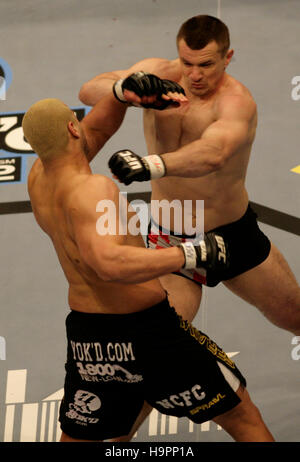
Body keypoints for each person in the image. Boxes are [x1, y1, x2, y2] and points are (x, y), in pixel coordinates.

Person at [22, 95, 274, 442]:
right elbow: (109, 263)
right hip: (147, 333)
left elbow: (95, 129)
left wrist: (122, 95)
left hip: (89, 337)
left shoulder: (38, 178)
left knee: (79, 438)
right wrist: (190, 254)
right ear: (71, 127)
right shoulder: (92, 189)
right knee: (241, 415)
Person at [79, 14, 300, 335]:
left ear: (228, 57)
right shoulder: (161, 72)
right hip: (170, 237)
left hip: (230, 235)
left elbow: (213, 154)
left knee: (295, 315)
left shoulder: (236, 102)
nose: (195, 75)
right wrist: (123, 88)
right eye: (187, 63)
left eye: (206, 65)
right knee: (157, 340)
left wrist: (150, 165)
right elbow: (87, 91)